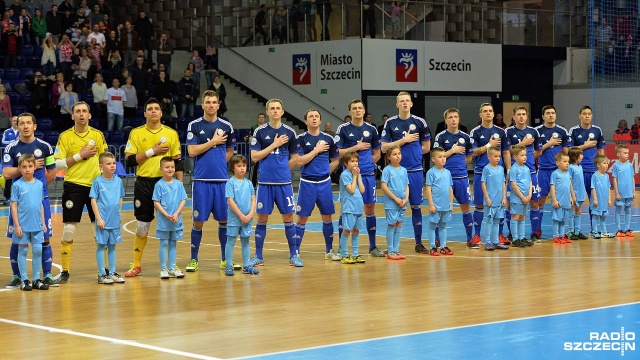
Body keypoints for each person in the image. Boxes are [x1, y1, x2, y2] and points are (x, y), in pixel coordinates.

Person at [123, 98, 183, 277]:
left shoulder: (171, 134)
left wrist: (179, 186)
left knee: (171, 225)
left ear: (161, 113)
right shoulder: (136, 133)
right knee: (142, 225)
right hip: (145, 183)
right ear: (145, 113)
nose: (154, 111)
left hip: (167, 183)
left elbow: (177, 162)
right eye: (150, 109)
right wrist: (152, 151)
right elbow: (130, 161)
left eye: (157, 108)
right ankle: (137, 264)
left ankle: (171, 265)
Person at [54, 102, 107, 283]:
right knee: (69, 229)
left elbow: (105, 159)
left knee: (98, 229)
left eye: (85, 111)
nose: (81, 114)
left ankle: (103, 270)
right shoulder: (65, 136)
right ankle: (65, 271)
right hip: (73, 186)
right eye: (78, 111)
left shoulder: (98, 135)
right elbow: (58, 164)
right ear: (73, 116)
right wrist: (80, 155)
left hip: (95, 187)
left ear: (90, 115)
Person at [185, 90, 236, 272]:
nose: (211, 105)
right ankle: (193, 259)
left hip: (222, 181)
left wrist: (218, 164)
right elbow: (191, 151)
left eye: (214, 102)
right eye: (208, 102)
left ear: (218, 104)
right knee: (198, 222)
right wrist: (213, 142)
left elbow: (230, 150)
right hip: (202, 181)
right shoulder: (195, 126)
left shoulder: (226, 126)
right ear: (203, 105)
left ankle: (224, 259)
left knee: (224, 221)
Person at [3, 113, 57, 288]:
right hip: (19, 203)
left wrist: (37, 190)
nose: (25, 126)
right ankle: (17, 276)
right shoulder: (10, 147)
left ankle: (47, 275)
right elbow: (6, 174)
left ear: (35, 126)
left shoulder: (45, 147)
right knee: (17, 238)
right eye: (21, 123)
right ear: (17, 127)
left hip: (41, 200)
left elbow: (53, 173)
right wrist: (27, 169)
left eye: (28, 123)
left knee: (45, 237)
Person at [249, 99, 300, 266]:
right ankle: (258, 256)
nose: (275, 111)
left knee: (288, 217)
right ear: (267, 112)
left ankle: (294, 256)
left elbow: (295, 157)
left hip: (284, 183)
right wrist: (275, 144)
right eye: (272, 108)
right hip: (265, 182)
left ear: (283, 112)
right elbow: (254, 157)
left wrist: (283, 169)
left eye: (278, 108)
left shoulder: (290, 132)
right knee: (262, 217)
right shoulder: (260, 132)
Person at [380, 92, 431, 253]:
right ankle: (393, 247)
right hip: (396, 172)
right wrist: (403, 141)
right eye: (401, 101)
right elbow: (383, 148)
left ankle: (418, 243)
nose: (404, 103)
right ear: (397, 104)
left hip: (415, 170)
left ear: (411, 104)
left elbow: (427, 147)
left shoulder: (419, 122)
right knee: (396, 208)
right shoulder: (390, 122)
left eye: (407, 101)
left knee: (416, 206)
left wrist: (413, 153)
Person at [335, 100, 382, 256]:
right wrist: (356, 148)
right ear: (350, 111)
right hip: (349, 177)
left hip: (367, 175)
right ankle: (343, 248)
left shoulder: (372, 129)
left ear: (364, 110)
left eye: (360, 108)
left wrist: (367, 164)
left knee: (369, 208)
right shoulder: (343, 129)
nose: (357, 110)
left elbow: (377, 153)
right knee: (346, 211)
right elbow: (338, 152)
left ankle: (373, 246)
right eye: (354, 108)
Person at [295, 109, 340, 261]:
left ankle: (329, 250)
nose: (314, 119)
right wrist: (316, 150)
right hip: (307, 183)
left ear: (320, 121)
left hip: (324, 183)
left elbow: (335, 160)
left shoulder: (329, 138)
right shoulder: (300, 139)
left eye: (316, 117)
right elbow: (299, 161)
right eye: (310, 117)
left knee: (327, 217)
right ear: (305, 121)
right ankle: (295, 251)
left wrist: (325, 173)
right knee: (302, 218)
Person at [469, 103, 511, 248]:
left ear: (493, 114)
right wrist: (488, 145)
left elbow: (505, 151)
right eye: (485, 111)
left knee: (499, 205)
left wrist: (509, 170)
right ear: (480, 115)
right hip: (482, 172)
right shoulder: (475, 132)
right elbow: (473, 153)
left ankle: (498, 235)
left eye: (490, 111)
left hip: (498, 174)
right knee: (480, 205)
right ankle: (477, 235)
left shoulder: (501, 131)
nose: (488, 113)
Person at [432, 108, 473, 244]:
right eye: (450, 117)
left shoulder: (466, 137)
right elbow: (438, 156)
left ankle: (469, 238)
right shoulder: (441, 137)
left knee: (466, 207)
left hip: (461, 177)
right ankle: (437, 239)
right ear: (446, 120)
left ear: (459, 119)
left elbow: (469, 156)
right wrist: (453, 150)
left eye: (456, 117)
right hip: (444, 178)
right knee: (441, 208)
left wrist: (460, 165)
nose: (453, 119)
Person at [10, 154, 48, 291]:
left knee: (37, 250)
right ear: (19, 168)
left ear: (34, 167)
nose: (27, 169)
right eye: (24, 167)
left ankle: (37, 279)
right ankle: (25, 279)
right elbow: (14, 206)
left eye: (30, 166)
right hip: (23, 225)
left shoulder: (39, 184)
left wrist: (43, 222)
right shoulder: (17, 185)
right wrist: (17, 225)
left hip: (37, 224)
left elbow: (41, 205)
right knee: (23, 250)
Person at [535, 105, 572, 241]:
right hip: (543, 171)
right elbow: (536, 152)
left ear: (555, 115)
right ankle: (537, 229)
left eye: (553, 113)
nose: (551, 115)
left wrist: (566, 167)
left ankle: (561, 233)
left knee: (561, 201)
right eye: (548, 113)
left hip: (559, 172)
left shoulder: (562, 131)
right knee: (541, 200)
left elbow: (566, 151)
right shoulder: (537, 131)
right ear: (543, 116)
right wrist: (549, 143)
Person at [505, 107, 541, 243]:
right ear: (513, 116)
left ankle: (533, 233)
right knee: (511, 203)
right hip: (515, 173)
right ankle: (513, 235)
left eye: (523, 114)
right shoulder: (508, 131)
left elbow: (538, 151)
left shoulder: (533, 131)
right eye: (518, 114)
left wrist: (528, 160)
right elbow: (508, 150)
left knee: (533, 201)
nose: (521, 117)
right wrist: (523, 144)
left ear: (527, 116)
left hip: (530, 171)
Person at [90, 152, 125, 284]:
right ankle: (101, 274)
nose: (112, 166)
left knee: (113, 246)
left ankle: (112, 272)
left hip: (114, 219)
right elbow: (93, 200)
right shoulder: (97, 181)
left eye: (113, 163)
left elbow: (120, 198)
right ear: (101, 166)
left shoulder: (119, 181)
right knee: (102, 245)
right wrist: (98, 218)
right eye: (108, 164)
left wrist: (119, 214)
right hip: (103, 220)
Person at [569, 105, 606, 235]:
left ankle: (594, 228)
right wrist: (586, 145)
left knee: (594, 201)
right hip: (578, 171)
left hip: (593, 171)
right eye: (584, 114)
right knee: (577, 201)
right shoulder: (573, 130)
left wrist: (601, 166)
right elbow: (570, 151)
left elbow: (601, 150)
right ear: (579, 115)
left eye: (589, 114)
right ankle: (573, 230)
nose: (587, 116)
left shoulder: (597, 130)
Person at [224, 154, 259, 276]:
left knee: (246, 241)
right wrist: (240, 215)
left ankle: (247, 265)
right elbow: (230, 201)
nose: (242, 168)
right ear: (233, 168)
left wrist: (250, 214)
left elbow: (253, 200)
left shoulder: (249, 183)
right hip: (235, 219)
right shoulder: (230, 183)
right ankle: (228, 265)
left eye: (244, 165)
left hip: (247, 219)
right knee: (231, 241)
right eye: (239, 166)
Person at [153, 157, 187, 279]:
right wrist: (166, 215)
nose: (170, 169)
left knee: (173, 243)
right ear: (161, 169)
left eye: (172, 167)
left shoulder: (179, 184)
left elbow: (183, 199)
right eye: (167, 167)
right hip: (164, 220)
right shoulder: (159, 185)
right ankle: (163, 269)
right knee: (164, 243)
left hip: (176, 219)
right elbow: (156, 202)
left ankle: (172, 268)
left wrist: (176, 213)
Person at [424, 147, 454, 256]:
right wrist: (431, 204)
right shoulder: (431, 173)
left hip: (445, 205)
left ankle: (443, 246)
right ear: (433, 159)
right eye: (440, 157)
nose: (443, 159)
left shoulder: (448, 172)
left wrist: (451, 203)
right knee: (433, 226)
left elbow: (450, 188)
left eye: (444, 157)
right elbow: (428, 189)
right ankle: (432, 247)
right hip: (436, 205)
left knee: (443, 225)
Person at [380, 144, 408, 259]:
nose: (397, 156)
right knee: (392, 224)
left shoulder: (404, 170)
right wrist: (395, 198)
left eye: (399, 154)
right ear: (389, 157)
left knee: (399, 225)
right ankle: (390, 250)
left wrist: (406, 199)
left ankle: (396, 249)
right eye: (394, 154)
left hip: (402, 202)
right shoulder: (387, 170)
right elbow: (384, 186)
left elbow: (407, 185)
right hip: (392, 203)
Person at [338, 150, 365, 264]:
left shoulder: (357, 174)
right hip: (349, 208)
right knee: (347, 231)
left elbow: (362, 190)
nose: (355, 163)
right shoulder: (345, 175)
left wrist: (358, 177)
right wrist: (354, 177)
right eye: (352, 161)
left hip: (358, 207)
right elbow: (352, 190)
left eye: (356, 161)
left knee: (356, 231)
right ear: (346, 163)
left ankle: (355, 254)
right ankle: (344, 255)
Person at [480, 146, 509, 251]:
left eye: (499, 156)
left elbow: (503, 183)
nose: (498, 158)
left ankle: (496, 241)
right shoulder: (486, 169)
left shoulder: (501, 169)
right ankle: (488, 241)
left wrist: (504, 197)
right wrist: (487, 198)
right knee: (489, 221)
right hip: (490, 201)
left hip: (499, 201)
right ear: (489, 156)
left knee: (497, 221)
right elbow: (483, 184)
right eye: (495, 156)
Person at [508, 145, 533, 248]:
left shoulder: (527, 168)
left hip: (526, 197)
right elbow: (513, 184)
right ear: (515, 157)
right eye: (522, 155)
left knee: (522, 217)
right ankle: (515, 238)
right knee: (515, 216)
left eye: (525, 155)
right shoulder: (513, 169)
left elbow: (530, 182)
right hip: (517, 198)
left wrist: (529, 194)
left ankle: (522, 237)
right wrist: (522, 197)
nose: (524, 157)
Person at [550, 152, 576, 244]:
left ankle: (562, 236)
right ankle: (555, 236)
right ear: (557, 163)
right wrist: (554, 200)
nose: (567, 163)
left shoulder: (568, 174)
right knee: (557, 219)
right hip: (558, 201)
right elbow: (552, 187)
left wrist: (570, 197)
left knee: (563, 220)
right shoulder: (555, 174)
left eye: (568, 161)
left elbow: (568, 186)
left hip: (566, 201)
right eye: (564, 161)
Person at [611, 144, 635, 237]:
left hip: (629, 192)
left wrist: (633, 191)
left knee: (628, 210)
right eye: (625, 153)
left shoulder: (629, 165)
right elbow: (615, 179)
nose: (627, 155)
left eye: (628, 153)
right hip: (620, 193)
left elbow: (632, 178)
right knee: (618, 210)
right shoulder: (616, 166)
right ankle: (618, 229)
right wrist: (616, 193)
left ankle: (627, 228)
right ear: (618, 154)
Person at [567, 147, 588, 241]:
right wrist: (572, 195)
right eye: (581, 155)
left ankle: (577, 231)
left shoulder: (580, 167)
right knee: (572, 212)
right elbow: (569, 181)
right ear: (575, 157)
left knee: (579, 211)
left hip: (580, 193)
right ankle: (571, 232)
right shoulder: (570, 168)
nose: (582, 156)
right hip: (574, 193)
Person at [590, 155, 612, 239]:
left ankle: (604, 232)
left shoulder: (606, 176)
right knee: (595, 216)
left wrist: (609, 199)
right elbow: (593, 188)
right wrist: (595, 199)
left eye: (607, 163)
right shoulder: (595, 176)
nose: (607, 165)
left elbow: (608, 188)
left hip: (604, 201)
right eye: (604, 163)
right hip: (597, 201)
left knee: (603, 217)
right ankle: (594, 232)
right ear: (598, 165)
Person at [2, 116, 19, 204]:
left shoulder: (22, 131)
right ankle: (7, 197)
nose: (15, 122)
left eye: (16, 121)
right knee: (8, 177)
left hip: (19, 156)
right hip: (9, 157)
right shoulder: (7, 131)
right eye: (13, 121)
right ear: (11, 122)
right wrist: (14, 141)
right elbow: (3, 142)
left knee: (20, 176)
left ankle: (20, 196)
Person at [249, 113, 267, 186]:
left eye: (262, 117)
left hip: (265, 150)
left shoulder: (267, 128)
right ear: (258, 118)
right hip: (256, 150)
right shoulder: (254, 127)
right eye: (260, 117)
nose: (261, 118)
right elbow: (250, 137)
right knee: (254, 169)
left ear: (265, 119)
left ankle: (263, 183)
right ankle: (253, 185)